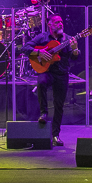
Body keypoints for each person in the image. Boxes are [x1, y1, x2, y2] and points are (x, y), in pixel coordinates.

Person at [20, 14, 79, 146]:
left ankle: (55, 135)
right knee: (41, 82)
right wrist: (39, 52)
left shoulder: (68, 39)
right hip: (46, 71)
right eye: (57, 22)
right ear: (50, 25)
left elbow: (74, 57)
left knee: (59, 105)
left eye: (61, 22)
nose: (60, 24)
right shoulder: (42, 37)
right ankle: (43, 113)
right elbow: (25, 48)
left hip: (62, 73)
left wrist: (75, 50)